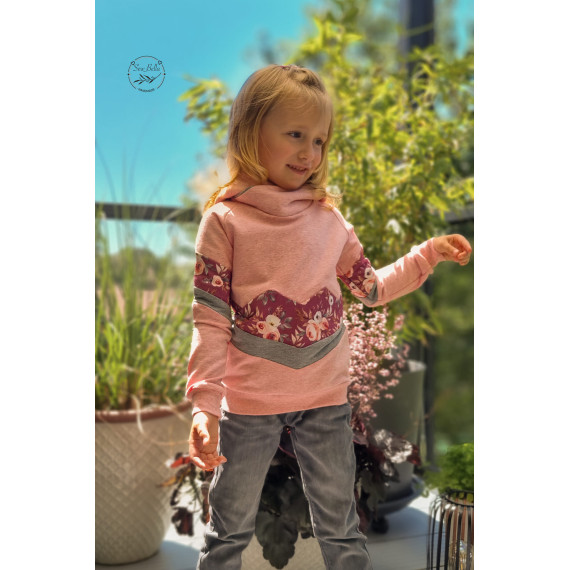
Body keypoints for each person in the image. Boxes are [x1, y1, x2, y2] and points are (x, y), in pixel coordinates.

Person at [186, 64, 471, 570]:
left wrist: (427, 254)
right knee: (227, 531)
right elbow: (209, 319)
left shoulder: (329, 219)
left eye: (319, 140)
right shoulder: (224, 221)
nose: (309, 153)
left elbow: (372, 288)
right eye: (295, 134)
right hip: (249, 403)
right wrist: (204, 407)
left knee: (341, 529)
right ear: (251, 131)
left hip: (324, 398)